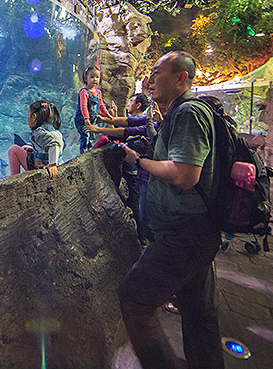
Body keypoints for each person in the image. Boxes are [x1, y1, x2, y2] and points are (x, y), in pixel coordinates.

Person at [118, 51, 224, 369]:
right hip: (197, 232)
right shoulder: (177, 113)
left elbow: (185, 175)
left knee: (134, 298)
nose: (150, 79)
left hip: (184, 234)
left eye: (158, 72)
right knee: (198, 313)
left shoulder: (189, 113)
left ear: (182, 78)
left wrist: (138, 162)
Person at [84, 93, 160, 244]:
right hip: (142, 172)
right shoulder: (147, 120)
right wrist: (106, 118)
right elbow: (126, 122)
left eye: (132, 100)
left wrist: (98, 129)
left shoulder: (154, 123)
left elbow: (125, 131)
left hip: (144, 172)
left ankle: (145, 238)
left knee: (138, 206)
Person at [8, 100, 64, 179]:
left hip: (39, 166)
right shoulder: (54, 130)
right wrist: (32, 148)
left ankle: (14, 179)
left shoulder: (40, 133)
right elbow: (50, 145)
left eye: (28, 114)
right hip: (58, 163)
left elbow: (54, 145)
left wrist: (52, 165)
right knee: (24, 148)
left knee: (13, 149)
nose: (27, 118)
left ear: (34, 117)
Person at [73, 66, 113, 153]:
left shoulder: (98, 92)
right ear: (86, 78)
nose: (95, 79)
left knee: (92, 136)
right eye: (92, 77)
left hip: (93, 119)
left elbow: (101, 105)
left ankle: (89, 152)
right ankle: (83, 154)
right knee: (85, 136)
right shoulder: (84, 92)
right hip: (83, 119)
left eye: (97, 77)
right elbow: (83, 107)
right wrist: (86, 119)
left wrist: (107, 114)